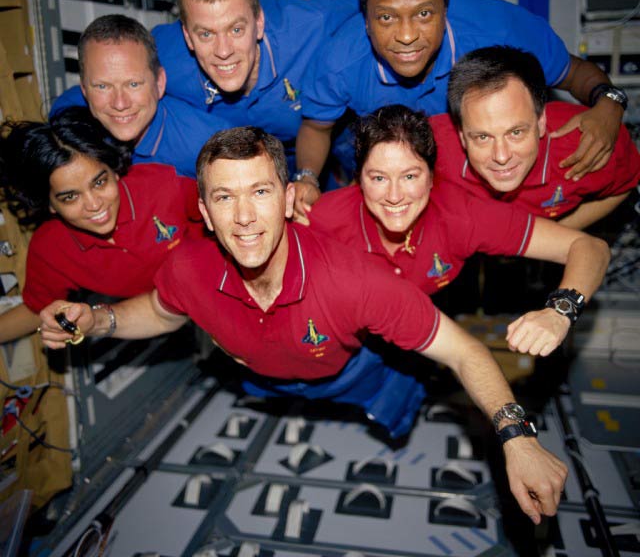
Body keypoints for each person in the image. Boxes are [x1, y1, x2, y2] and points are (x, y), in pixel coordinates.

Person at [39, 126, 567, 524]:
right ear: (203, 209)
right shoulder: (185, 267)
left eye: (261, 192)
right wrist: (101, 319)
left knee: (396, 416)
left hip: (361, 372)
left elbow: (463, 352)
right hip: (262, 377)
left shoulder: (358, 282)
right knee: (274, 388)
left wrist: (517, 439)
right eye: (225, 197)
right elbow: (159, 309)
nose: (244, 217)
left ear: (290, 200)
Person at [293, 0, 627, 221]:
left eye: (424, 13)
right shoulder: (339, 61)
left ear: (446, 8)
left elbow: (576, 73)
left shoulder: (504, 31)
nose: (407, 35)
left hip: (481, 176)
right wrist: (308, 177)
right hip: (398, 176)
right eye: (386, 17)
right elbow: (316, 127)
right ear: (366, 20)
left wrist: (609, 103)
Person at [306, 104, 610, 357]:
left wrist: (560, 311)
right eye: (378, 178)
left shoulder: (462, 215)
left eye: (410, 176)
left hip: (417, 340)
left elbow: (589, 248)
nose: (395, 196)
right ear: (359, 179)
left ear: (431, 177)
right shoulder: (324, 219)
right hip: (341, 340)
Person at [0, 108, 200, 344]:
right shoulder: (51, 249)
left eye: (100, 182)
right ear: (50, 205)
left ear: (114, 172)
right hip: (164, 315)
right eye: (70, 197)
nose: (94, 204)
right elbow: (38, 310)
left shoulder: (163, 185)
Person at [151, 0, 359, 175]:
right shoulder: (160, 55)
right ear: (187, 36)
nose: (223, 51)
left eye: (236, 29)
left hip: (328, 134)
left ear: (259, 23)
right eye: (206, 34)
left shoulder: (310, 24)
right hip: (248, 161)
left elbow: (379, 7)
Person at [437, 45, 640, 229]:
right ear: (462, 136)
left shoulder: (586, 143)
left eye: (516, 132)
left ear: (541, 122)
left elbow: (626, 183)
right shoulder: (430, 146)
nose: (501, 156)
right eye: (482, 137)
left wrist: (548, 238)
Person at [49, 15, 231, 178]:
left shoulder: (209, 146)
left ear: (159, 83)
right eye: (102, 86)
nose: (120, 103)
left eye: (133, 84)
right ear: (84, 90)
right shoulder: (67, 116)